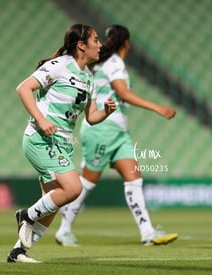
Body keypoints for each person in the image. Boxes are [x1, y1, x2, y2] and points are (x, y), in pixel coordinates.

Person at [55, 25, 178, 247]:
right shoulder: (114, 64)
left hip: (119, 133)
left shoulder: (102, 63)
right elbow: (123, 93)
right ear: (127, 44)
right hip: (102, 129)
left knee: (134, 178)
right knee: (87, 181)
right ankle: (63, 229)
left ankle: (147, 232)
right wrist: (157, 107)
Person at [6, 24, 116, 263]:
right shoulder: (58, 66)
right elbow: (23, 88)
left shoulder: (88, 77)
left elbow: (91, 117)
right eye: (95, 40)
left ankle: (17, 253)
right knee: (73, 189)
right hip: (41, 138)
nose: (100, 45)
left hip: (63, 144)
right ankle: (26, 215)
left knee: (53, 203)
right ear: (81, 45)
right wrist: (41, 119)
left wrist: (105, 112)